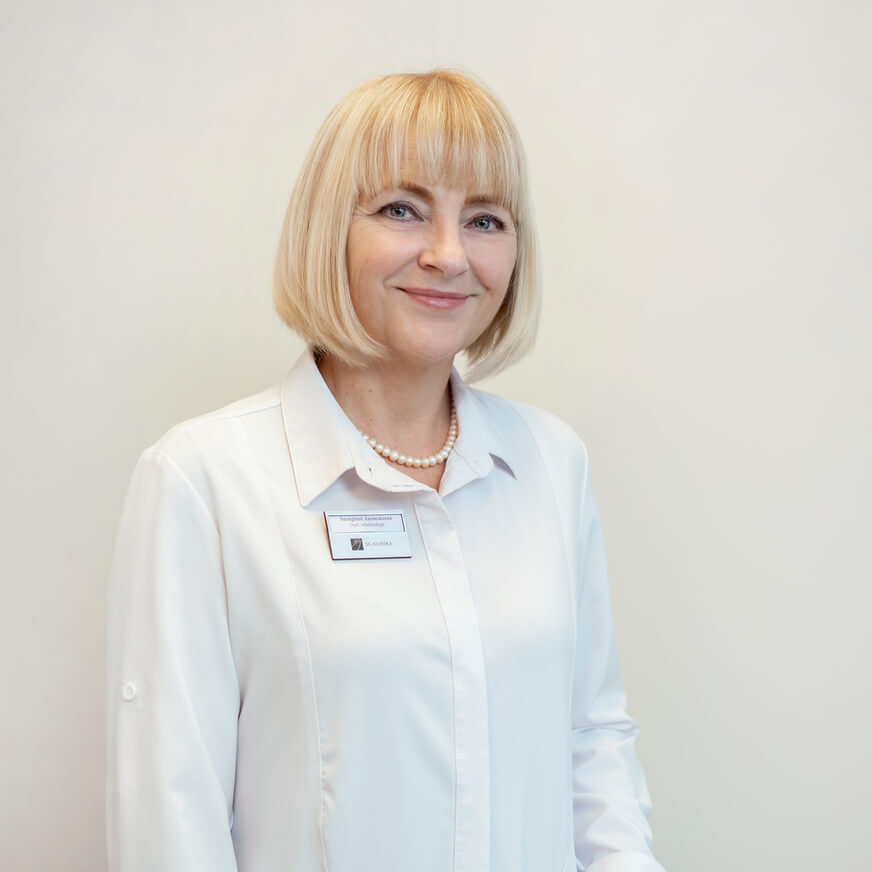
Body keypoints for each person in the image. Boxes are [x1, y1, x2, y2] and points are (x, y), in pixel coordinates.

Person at [106, 69, 666, 872]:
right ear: (328, 230)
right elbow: (173, 813)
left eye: (484, 219)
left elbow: (590, 740)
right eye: (402, 210)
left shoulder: (551, 462)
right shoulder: (205, 480)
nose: (449, 255)